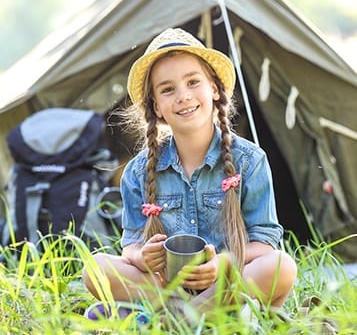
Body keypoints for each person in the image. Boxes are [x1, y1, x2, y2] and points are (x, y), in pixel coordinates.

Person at [82, 28, 297, 322]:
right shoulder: (137, 172)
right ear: (156, 106)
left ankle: (175, 320)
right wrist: (142, 256)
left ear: (214, 89)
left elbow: (264, 240)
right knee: (96, 268)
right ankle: (203, 318)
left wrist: (224, 263)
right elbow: (130, 244)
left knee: (281, 266)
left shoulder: (250, 161)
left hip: (226, 283)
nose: (183, 96)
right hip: (165, 286)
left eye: (193, 82)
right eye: (167, 89)